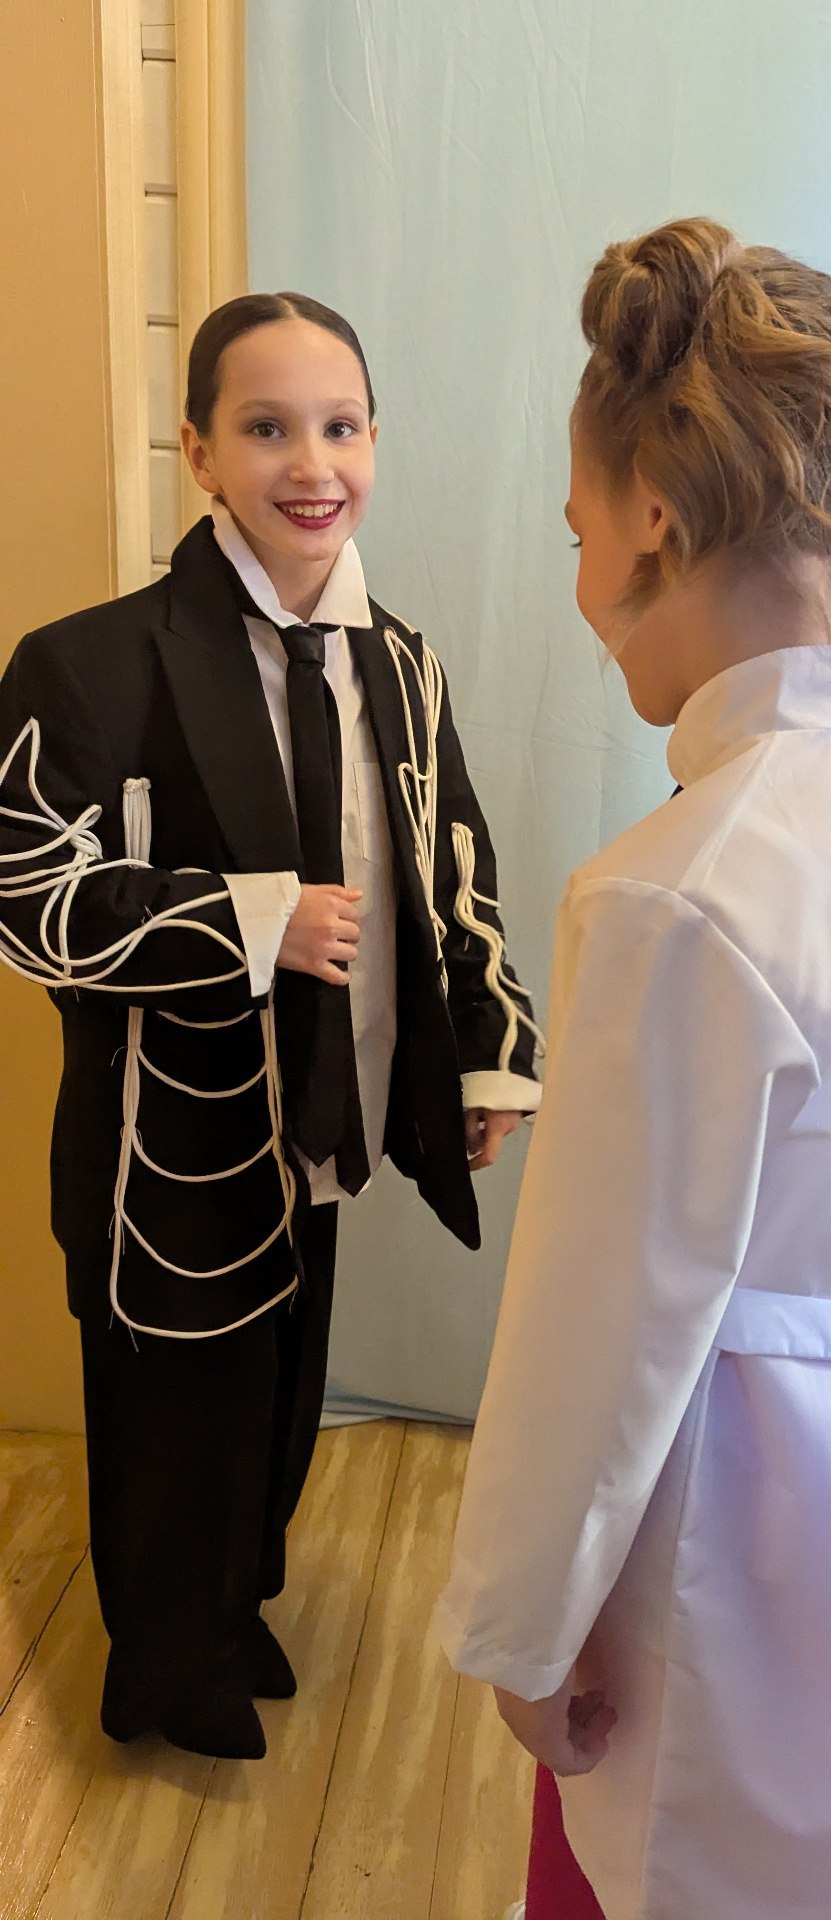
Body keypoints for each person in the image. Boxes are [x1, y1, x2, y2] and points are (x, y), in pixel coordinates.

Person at [436, 220, 831, 1920]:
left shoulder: (671, 893)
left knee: (657, 1859)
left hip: (711, 1516)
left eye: (578, 530)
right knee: (817, 1851)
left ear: (654, 521)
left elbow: (595, 1329)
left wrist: (527, 1633)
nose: (582, 588)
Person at [0, 291, 541, 1761]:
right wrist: (249, 921)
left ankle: (235, 1609)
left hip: (332, 1108)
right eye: (266, 427)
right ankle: (160, 1669)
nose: (313, 464)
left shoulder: (400, 666)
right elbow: (27, 896)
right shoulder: (89, 662)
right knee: (174, 1407)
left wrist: (486, 1057)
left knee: (285, 1390)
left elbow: (454, 872)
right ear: (199, 450)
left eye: (341, 426)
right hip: (167, 1146)